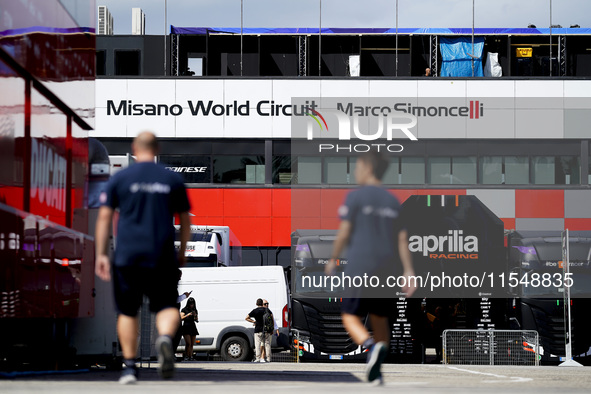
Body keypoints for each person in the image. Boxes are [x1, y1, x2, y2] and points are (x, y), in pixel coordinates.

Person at [95, 131, 191, 384]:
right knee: (167, 306)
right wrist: (181, 252)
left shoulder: (120, 178)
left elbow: (104, 217)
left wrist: (102, 254)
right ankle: (164, 339)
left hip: (127, 255)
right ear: (157, 148)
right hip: (161, 254)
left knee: (128, 311)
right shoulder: (172, 179)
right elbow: (184, 219)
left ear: (134, 149)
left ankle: (129, 368)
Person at [325, 151, 415, 384]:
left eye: (356, 166)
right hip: (387, 268)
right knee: (380, 318)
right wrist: (408, 271)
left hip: (359, 264)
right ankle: (378, 371)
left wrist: (333, 258)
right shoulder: (393, 201)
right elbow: (402, 240)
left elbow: (344, 231)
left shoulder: (356, 197)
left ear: (367, 167)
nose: (355, 171)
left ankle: (369, 347)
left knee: (349, 316)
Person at [245, 298, 268, 363]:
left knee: (257, 344)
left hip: (257, 329)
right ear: (262, 303)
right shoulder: (266, 310)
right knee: (263, 344)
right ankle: (263, 358)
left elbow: (246, 318)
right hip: (265, 329)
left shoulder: (255, 311)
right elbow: (271, 317)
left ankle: (257, 358)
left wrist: (254, 321)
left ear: (256, 304)